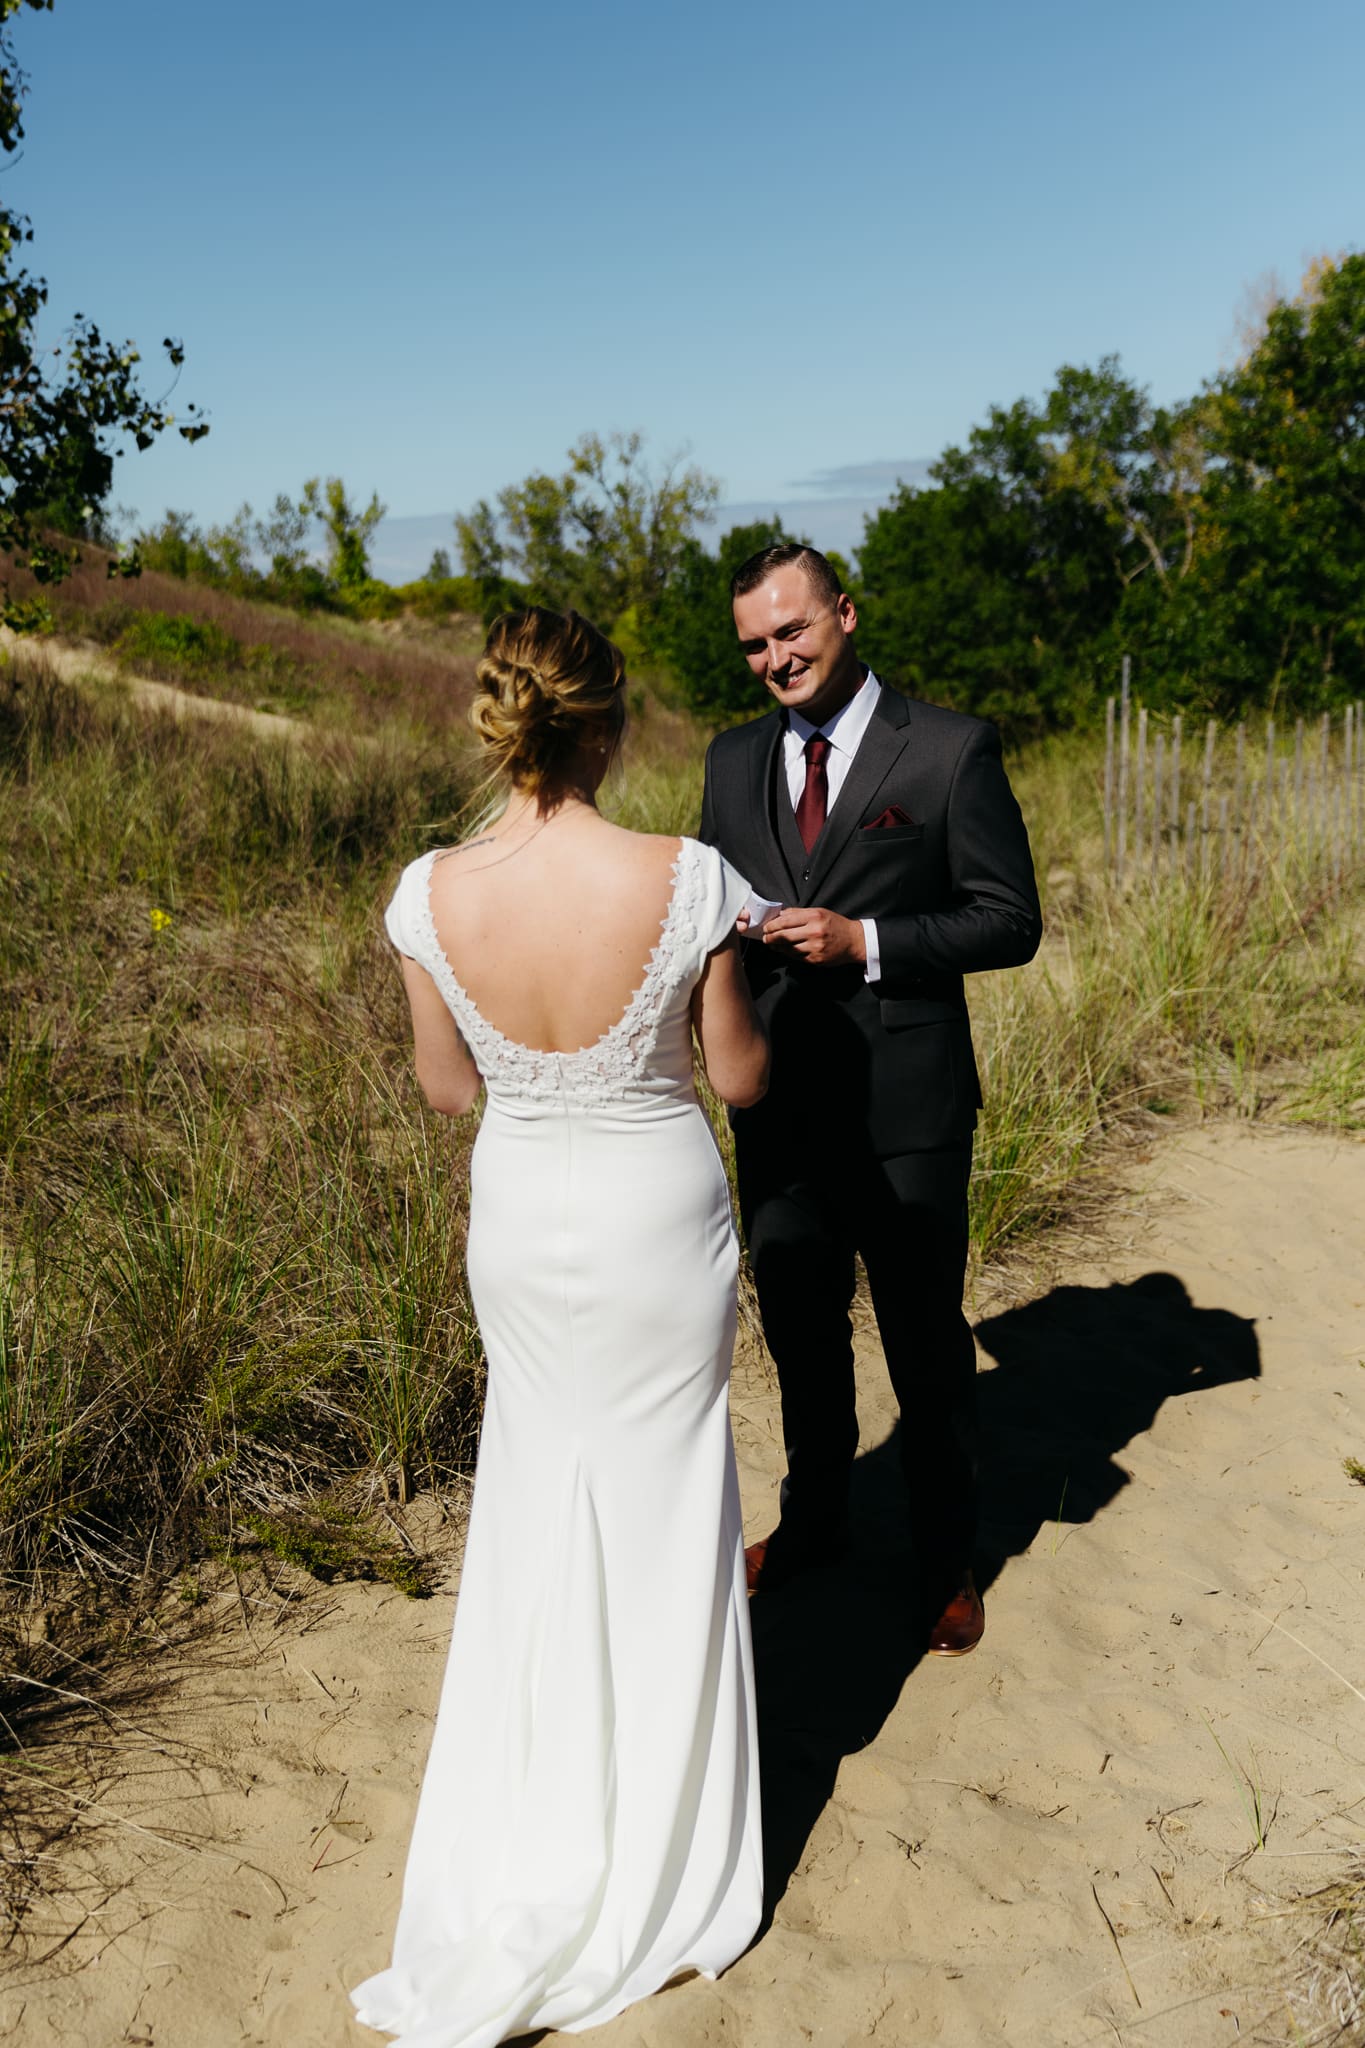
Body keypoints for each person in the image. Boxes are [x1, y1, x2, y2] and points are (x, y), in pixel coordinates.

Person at [352, 607, 770, 2047]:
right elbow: (738, 1078)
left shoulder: (425, 894)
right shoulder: (691, 877)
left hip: (523, 1218)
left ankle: (531, 1811)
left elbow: (448, 1090)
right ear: (607, 726)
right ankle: (657, 1840)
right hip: (657, 1218)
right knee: (666, 1504)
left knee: (536, 1494)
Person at [699, 544, 1042, 1656]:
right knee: (799, 1332)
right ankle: (817, 1522)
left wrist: (870, 940)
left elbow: (1009, 918)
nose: (775, 658)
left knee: (924, 1344)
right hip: (778, 1106)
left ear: (844, 612)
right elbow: (708, 910)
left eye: (791, 631)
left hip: (909, 1109)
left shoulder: (948, 748)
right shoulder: (729, 758)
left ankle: (946, 1562)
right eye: (754, 643)